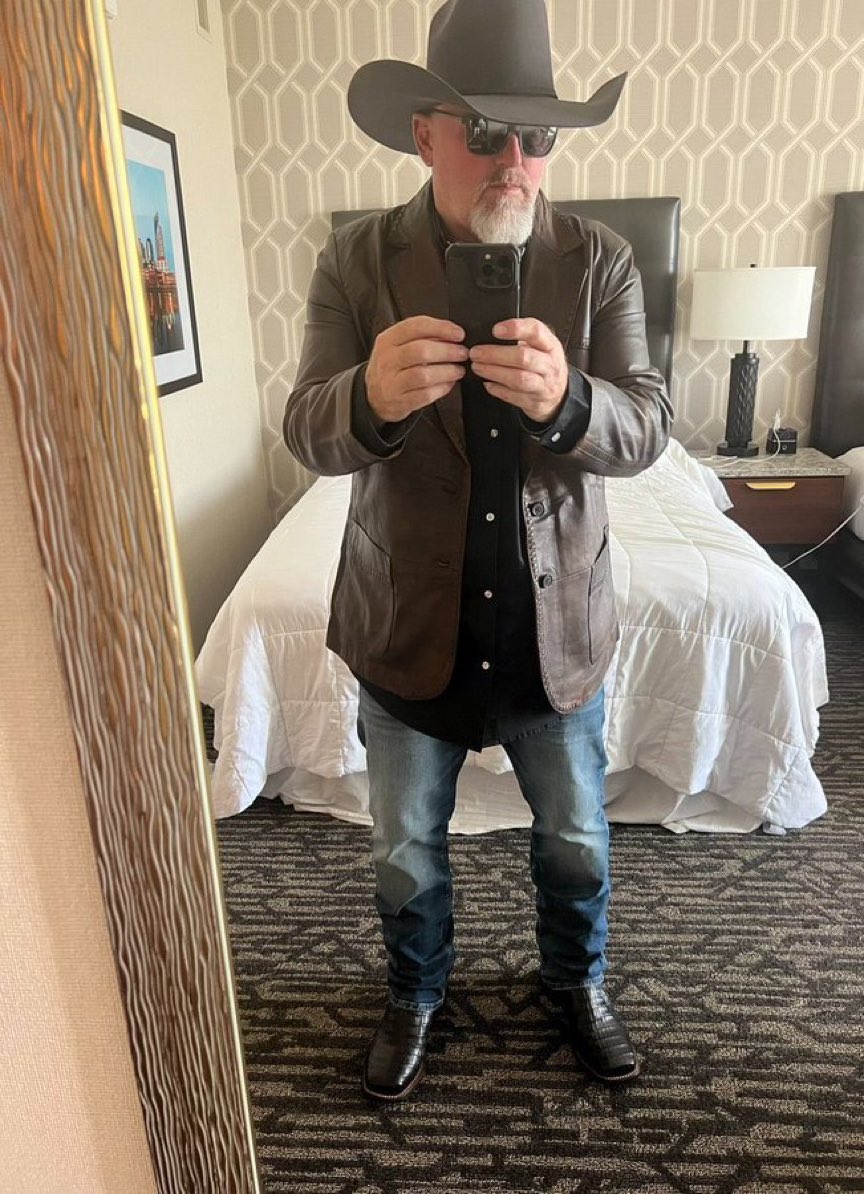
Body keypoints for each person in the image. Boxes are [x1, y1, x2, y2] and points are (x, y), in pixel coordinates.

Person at [283, 0, 673, 1101]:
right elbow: (305, 427)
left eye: (536, 135)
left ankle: (577, 981)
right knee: (403, 846)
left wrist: (572, 401)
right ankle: (415, 993)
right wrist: (366, 397)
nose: (516, 160)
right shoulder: (355, 261)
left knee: (578, 837)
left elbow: (650, 425)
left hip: (558, 623)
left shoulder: (600, 262)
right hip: (409, 619)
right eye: (486, 130)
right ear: (424, 134)